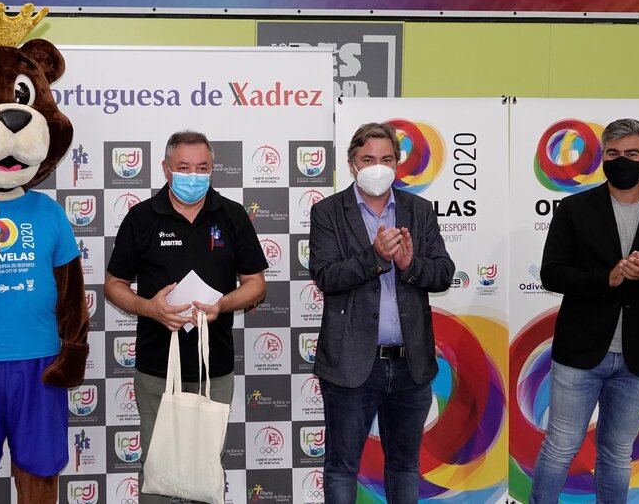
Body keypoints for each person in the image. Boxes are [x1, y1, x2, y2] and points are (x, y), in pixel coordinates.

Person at [530, 118, 639, 504]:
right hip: (579, 353)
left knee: (617, 453)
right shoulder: (574, 209)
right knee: (560, 446)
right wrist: (607, 278)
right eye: (613, 153)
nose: (622, 161)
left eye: (632, 154)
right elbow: (552, 273)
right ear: (603, 158)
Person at [105, 130, 268, 503]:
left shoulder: (232, 215)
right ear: (166, 169)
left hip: (215, 368)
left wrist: (222, 304)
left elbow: (256, 284)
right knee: (158, 466)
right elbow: (113, 285)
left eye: (202, 167)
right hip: (157, 368)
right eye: (183, 167)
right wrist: (149, 307)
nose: (193, 175)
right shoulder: (141, 217)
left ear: (212, 170)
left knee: (206, 469)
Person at [308, 122, 454, 504]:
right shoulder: (328, 212)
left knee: (405, 466)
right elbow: (326, 276)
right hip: (352, 365)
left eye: (386, 159)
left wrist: (409, 264)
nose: (378, 167)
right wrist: (375, 257)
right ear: (352, 164)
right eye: (368, 159)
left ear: (397, 164)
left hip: (411, 365)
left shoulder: (418, 210)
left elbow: (443, 273)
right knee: (342, 467)